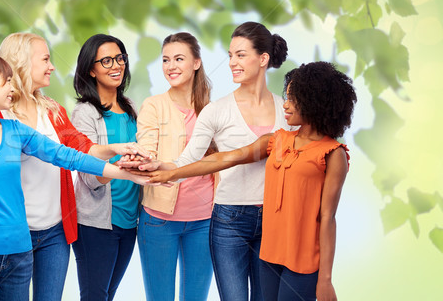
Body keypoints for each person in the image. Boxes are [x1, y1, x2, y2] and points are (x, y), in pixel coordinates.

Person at [0, 53, 150, 301]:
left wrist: (123, 173)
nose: (12, 87)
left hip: (20, 254)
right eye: (6, 81)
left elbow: (66, 156)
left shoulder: (15, 131)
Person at [146, 61, 357, 301]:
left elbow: (328, 218)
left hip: (304, 262)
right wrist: (172, 173)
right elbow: (227, 158)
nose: (285, 105)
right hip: (269, 256)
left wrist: (326, 279)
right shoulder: (277, 140)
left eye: (293, 98)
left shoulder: (333, 153)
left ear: (313, 101)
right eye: (286, 96)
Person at [121, 21, 292, 300]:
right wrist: (158, 167)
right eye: (230, 55)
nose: (233, 63)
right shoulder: (209, 109)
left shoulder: (280, 110)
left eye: (241, 55)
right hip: (200, 217)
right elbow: (185, 157)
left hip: (238, 217)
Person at [0, 33, 150, 301]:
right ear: (21, 63)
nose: (52, 66)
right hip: (15, 231)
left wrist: (116, 149)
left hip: (55, 231)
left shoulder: (53, 111)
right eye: (45, 59)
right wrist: (120, 168)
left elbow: (82, 148)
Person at [135, 32, 215, 301]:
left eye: (179, 58)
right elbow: (146, 148)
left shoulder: (211, 109)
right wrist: (144, 160)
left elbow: (222, 161)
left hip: (204, 220)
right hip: (159, 220)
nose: (171, 66)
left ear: (196, 63)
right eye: (166, 59)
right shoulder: (153, 106)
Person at [69, 34, 140, 301]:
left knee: (108, 295)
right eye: (106, 60)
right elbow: (89, 176)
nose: (116, 66)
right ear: (91, 69)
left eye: (120, 58)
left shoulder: (131, 107)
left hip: (128, 220)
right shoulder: (85, 112)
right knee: (95, 296)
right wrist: (120, 162)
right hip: (96, 223)